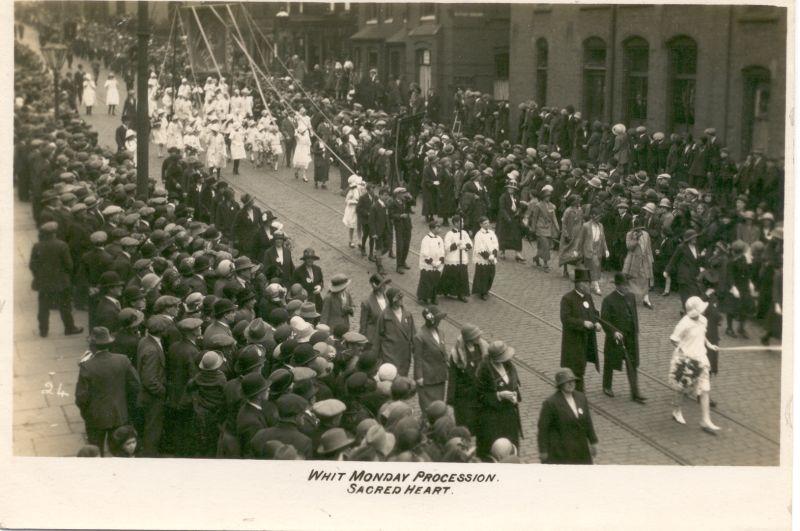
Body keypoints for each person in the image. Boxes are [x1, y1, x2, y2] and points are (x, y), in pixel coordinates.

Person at [75, 327, 141, 456]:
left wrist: (86, 413)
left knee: (95, 449)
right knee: (119, 449)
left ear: (93, 345)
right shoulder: (123, 360)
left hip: (95, 417)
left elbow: (81, 397)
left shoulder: (87, 366)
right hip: (119, 414)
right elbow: (135, 385)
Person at [668, 296, 722, 434]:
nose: (702, 313)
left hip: (701, 358)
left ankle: (705, 420)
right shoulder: (683, 324)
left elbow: (702, 335)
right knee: (682, 389)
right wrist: (683, 351)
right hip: (686, 360)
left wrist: (710, 345)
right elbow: (673, 339)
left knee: (705, 389)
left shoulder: (703, 320)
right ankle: (676, 410)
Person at [29, 221, 83, 337]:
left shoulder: (37, 246)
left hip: (44, 282)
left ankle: (43, 330)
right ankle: (69, 328)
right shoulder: (62, 245)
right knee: (65, 307)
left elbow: (32, 265)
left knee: (43, 307)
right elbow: (69, 265)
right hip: (61, 282)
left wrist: (39, 276)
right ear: (54, 233)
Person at [600, 273, 647, 403]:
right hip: (616, 337)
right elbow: (604, 320)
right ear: (618, 286)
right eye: (624, 285)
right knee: (610, 361)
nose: (627, 288)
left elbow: (634, 315)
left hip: (630, 336)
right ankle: (607, 386)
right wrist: (613, 332)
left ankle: (635, 392)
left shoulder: (631, 297)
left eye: (628, 285)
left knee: (632, 363)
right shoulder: (609, 300)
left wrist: (636, 329)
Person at [536, 368, 599, 464]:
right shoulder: (551, 403)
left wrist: (593, 441)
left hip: (581, 449)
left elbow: (587, 422)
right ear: (560, 385)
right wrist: (543, 451)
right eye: (567, 382)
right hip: (561, 451)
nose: (571, 384)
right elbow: (543, 429)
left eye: (572, 381)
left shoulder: (581, 397)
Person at [475, 340, 522, 459]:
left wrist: (515, 397)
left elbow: (514, 386)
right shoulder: (484, 371)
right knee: (497, 451)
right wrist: (499, 395)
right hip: (493, 419)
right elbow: (479, 396)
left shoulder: (509, 366)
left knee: (511, 448)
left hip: (509, 417)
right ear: (494, 358)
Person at [559, 268, 600, 393]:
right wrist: (582, 323)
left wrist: (597, 322)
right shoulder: (567, 299)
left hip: (586, 340)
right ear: (579, 284)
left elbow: (593, 312)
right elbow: (566, 319)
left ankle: (577, 389)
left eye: (589, 282)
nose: (589, 285)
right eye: (586, 282)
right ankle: (577, 392)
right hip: (573, 341)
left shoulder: (588, 296)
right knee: (575, 366)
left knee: (582, 365)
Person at [447, 323, 488, 436]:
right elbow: (453, 377)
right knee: (466, 424)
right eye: (476, 336)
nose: (479, 338)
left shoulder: (482, 347)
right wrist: (450, 400)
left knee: (479, 424)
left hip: (479, 393)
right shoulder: (456, 353)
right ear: (470, 338)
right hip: (464, 396)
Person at [413, 306, 449, 412]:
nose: (439, 322)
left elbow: (443, 351)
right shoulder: (419, 336)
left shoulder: (441, 332)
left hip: (440, 376)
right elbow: (417, 358)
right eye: (438, 320)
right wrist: (419, 377)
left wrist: (447, 362)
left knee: (439, 406)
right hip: (428, 378)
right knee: (428, 408)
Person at [374, 287, 416, 377]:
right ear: (392, 301)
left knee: (403, 379)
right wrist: (376, 358)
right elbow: (378, 336)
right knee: (391, 378)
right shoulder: (384, 316)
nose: (401, 300)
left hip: (404, 355)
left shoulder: (408, 315)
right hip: (390, 354)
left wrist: (416, 350)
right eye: (398, 299)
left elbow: (413, 334)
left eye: (401, 298)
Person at [575, 205, 609, 295]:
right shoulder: (586, 226)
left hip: (598, 250)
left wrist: (606, 250)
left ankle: (592, 284)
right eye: (597, 216)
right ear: (592, 216)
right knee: (593, 267)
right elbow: (581, 239)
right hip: (589, 250)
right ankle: (596, 286)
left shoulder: (601, 226)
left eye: (600, 216)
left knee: (596, 267)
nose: (599, 218)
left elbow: (603, 239)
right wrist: (576, 250)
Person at [439, 214, 472, 302]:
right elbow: (446, 247)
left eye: (463, 222)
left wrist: (465, 246)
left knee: (462, 276)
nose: (463, 223)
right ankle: (446, 290)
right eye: (461, 222)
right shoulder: (449, 234)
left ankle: (461, 294)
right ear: (455, 223)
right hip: (453, 258)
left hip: (462, 258)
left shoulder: (464, 233)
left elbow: (470, 244)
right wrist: (456, 244)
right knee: (450, 275)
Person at [622, 224, 655, 309]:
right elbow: (629, 247)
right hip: (633, 260)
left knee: (646, 278)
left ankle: (646, 299)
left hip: (644, 260)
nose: (639, 230)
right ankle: (629, 298)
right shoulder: (629, 234)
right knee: (632, 279)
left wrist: (651, 259)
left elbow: (648, 247)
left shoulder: (646, 234)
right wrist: (635, 239)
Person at [528, 185, 559, 271]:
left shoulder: (552, 206)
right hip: (540, 228)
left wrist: (557, 227)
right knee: (545, 246)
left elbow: (554, 218)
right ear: (543, 197)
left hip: (549, 229)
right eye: (546, 196)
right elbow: (534, 218)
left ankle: (536, 258)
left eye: (549, 196)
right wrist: (533, 228)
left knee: (544, 246)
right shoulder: (538, 206)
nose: (548, 198)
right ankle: (545, 264)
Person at [417, 220, 445, 305]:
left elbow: (442, 251)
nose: (440, 229)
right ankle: (424, 297)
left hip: (437, 264)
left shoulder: (439, 238)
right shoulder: (426, 239)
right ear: (432, 228)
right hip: (428, 265)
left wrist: (440, 261)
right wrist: (433, 263)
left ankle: (433, 296)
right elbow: (425, 254)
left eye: (440, 227)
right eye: (438, 227)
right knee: (426, 281)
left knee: (435, 280)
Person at [471, 216, 499, 300]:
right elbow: (479, 248)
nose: (487, 225)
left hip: (492, 257)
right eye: (485, 223)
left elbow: (495, 244)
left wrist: (493, 254)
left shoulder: (491, 233)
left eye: (488, 223)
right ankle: (482, 292)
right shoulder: (478, 235)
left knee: (491, 274)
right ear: (480, 225)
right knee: (483, 275)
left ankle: (487, 289)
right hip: (483, 258)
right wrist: (488, 256)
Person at [359, 273, 389, 345]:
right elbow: (363, 324)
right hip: (373, 338)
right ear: (375, 286)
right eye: (382, 285)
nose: (384, 287)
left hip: (386, 337)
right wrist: (362, 340)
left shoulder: (387, 299)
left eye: (384, 284)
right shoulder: (367, 303)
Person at [342, 175, 361, 248]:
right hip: (353, 209)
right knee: (352, 226)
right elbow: (346, 201)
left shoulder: (360, 189)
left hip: (359, 209)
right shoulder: (351, 191)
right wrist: (354, 202)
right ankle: (351, 240)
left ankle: (360, 241)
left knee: (359, 226)